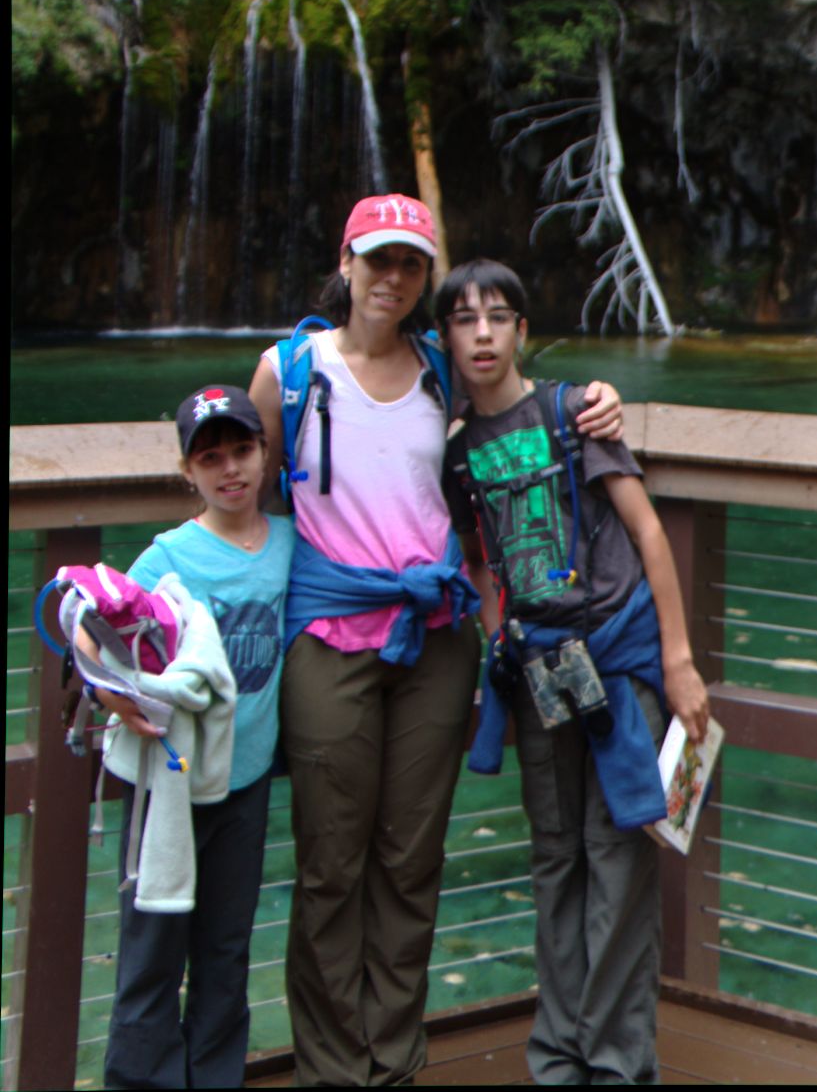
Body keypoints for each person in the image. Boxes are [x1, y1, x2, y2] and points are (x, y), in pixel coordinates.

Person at [247, 194, 625, 1089]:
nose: (392, 278)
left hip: (437, 633)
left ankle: (396, 1061)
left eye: (409, 264)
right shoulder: (290, 367)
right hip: (328, 631)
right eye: (377, 259)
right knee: (331, 861)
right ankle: (335, 1068)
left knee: (411, 857)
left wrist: (597, 398)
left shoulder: (435, 369)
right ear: (346, 262)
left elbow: (517, 402)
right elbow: (241, 491)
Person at [438, 258, 709, 1088]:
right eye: (463, 319)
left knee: (617, 857)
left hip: (617, 662)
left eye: (497, 316)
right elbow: (482, 560)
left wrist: (679, 658)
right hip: (535, 672)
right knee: (555, 855)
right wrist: (497, 640)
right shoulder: (456, 454)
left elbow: (648, 530)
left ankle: (615, 1062)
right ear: (445, 336)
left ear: (522, 328)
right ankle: (556, 1056)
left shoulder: (571, 413)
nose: (481, 333)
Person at [97, 384, 294, 1090]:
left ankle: (214, 1076)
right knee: (152, 946)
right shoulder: (165, 557)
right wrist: (113, 698)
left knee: (224, 947)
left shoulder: (289, 545)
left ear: (265, 452)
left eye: (241, 450)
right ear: (188, 470)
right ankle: (139, 1079)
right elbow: (96, 639)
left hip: (244, 783)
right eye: (211, 458)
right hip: (169, 786)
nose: (230, 469)